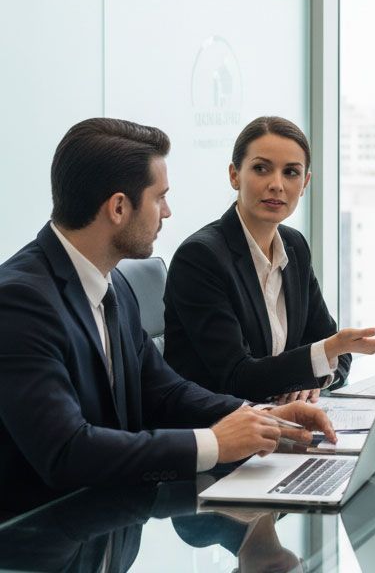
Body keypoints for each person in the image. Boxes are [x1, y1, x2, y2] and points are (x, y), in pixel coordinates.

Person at [0, 119, 336, 515]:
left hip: (114, 524)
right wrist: (213, 444)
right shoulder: (20, 301)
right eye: (159, 198)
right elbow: (67, 451)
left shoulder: (115, 286)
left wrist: (263, 417)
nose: (168, 211)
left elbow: (166, 391)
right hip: (41, 540)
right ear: (119, 208)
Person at [163, 116, 375, 403]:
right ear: (234, 175)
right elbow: (236, 377)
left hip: (282, 422)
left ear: (305, 183)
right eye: (261, 169)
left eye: (291, 172)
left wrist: (312, 382)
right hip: (221, 432)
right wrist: (325, 353)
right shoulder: (201, 257)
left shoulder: (294, 246)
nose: (277, 185)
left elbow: (337, 356)